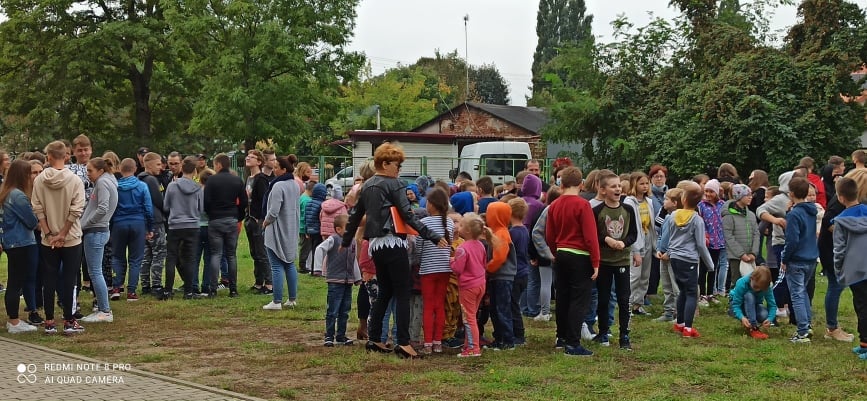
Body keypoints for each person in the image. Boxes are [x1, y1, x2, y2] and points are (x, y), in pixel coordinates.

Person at [342, 143, 447, 359]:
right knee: (402, 292)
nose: (399, 169)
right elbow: (408, 216)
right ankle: (404, 343)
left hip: (376, 245)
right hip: (393, 241)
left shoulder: (368, 185)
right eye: (397, 164)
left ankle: (375, 339)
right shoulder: (395, 184)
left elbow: (354, 216)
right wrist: (433, 236)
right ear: (385, 163)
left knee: (385, 292)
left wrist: (345, 240)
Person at [545, 166, 600, 356]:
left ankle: (561, 337)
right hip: (580, 256)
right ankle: (573, 343)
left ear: (561, 183)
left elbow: (549, 234)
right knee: (579, 299)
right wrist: (596, 261)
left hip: (561, 254)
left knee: (563, 297)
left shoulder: (554, 205)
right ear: (581, 184)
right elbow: (590, 236)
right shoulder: (583, 205)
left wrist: (554, 251)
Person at [32, 141, 86, 334]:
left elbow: (37, 208)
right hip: (71, 237)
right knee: (70, 279)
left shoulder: (38, 180)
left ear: (48, 158)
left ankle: (49, 320)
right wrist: (63, 233)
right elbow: (76, 209)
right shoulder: (75, 180)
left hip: (48, 238)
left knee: (49, 278)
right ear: (66, 156)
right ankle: (69, 319)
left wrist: (49, 233)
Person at [656, 181, 715, 338]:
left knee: (682, 290)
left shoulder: (673, 216)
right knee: (691, 293)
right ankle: (688, 328)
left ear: (683, 200)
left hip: (674, 258)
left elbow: (667, 237)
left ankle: (680, 322)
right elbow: (701, 245)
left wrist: (664, 250)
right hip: (689, 260)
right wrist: (710, 265)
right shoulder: (697, 220)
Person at [591, 170, 638, 350]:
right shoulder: (597, 211)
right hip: (604, 261)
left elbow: (633, 233)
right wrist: (607, 240)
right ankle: (603, 332)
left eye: (619, 185)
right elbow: (594, 234)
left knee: (623, 299)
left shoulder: (627, 209)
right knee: (603, 298)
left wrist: (623, 243)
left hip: (622, 261)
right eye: (613, 186)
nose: (618, 189)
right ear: (603, 190)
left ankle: (624, 335)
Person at [414, 188, 454, 354]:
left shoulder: (424, 223)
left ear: (432, 204)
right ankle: (438, 341)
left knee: (428, 306)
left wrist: (418, 261)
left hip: (428, 270)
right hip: (445, 269)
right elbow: (449, 246)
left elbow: (418, 248)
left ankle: (428, 343)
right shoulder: (450, 223)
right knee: (439, 305)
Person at [2, 160, 40, 333]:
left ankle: (13, 320)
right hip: (22, 242)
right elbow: (31, 221)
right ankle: (14, 322)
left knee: (14, 281)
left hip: (11, 242)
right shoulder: (18, 196)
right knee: (16, 283)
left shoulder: (6, 192)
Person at [203, 154, 248, 298]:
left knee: (216, 254)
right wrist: (238, 216)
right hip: (231, 219)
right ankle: (233, 289)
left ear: (218, 164)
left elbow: (206, 202)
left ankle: (213, 289)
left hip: (215, 219)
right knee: (231, 255)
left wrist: (212, 214)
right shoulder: (237, 180)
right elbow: (244, 202)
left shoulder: (211, 181)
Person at [780, 177, 819, 344]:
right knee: (803, 292)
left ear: (792, 194)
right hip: (811, 257)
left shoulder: (795, 214)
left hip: (797, 259)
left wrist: (784, 258)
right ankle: (807, 324)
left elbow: (792, 240)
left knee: (796, 294)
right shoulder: (812, 210)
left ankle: (802, 331)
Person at [110, 158, 154, 302]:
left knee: (117, 257)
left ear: (120, 169)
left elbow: (111, 207)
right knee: (135, 259)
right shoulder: (142, 186)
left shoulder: (115, 186)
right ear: (135, 169)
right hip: (138, 223)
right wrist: (150, 227)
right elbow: (148, 208)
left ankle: (116, 288)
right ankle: (132, 291)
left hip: (119, 223)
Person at [80, 158, 118, 322]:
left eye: (90, 171)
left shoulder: (102, 183)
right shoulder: (108, 180)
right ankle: (103, 309)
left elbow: (103, 207)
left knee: (95, 272)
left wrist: (86, 223)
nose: (88, 174)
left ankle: (105, 310)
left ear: (100, 171)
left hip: (96, 231)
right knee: (96, 271)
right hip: (99, 230)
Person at [313, 214, 360, 346]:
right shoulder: (333, 240)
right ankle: (329, 336)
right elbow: (319, 249)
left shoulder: (353, 242)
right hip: (335, 281)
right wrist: (318, 268)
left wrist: (357, 277)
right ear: (339, 229)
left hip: (348, 282)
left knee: (345, 310)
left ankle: (341, 335)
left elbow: (353, 260)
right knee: (332, 310)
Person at [833, 176, 867, 358]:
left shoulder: (840, 222)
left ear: (841, 197)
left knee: (862, 308)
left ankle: (866, 345)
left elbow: (839, 250)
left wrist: (839, 271)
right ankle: (863, 343)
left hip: (856, 270)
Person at [262, 156, 301, 310]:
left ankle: (276, 301)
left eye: (277, 167)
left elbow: (273, 211)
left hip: (277, 229)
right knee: (289, 264)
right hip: (290, 228)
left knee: (276, 266)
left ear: (284, 170)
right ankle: (292, 299)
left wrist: (265, 222)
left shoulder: (278, 186)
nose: (274, 169)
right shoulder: (295, 185)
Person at [163, 156, 204, 300]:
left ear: (181, 168)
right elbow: (201, 208)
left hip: (175, 225)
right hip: (192, 225)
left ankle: (168, 290)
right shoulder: (198, 188)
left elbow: (166, 206)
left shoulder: (172, 186)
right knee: (190, 258)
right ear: (194, 171)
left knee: (171, 257)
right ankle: (189, 291)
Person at [451, 213, 489, 357]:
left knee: (469, 317)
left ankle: (474, 348)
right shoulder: (480, 245)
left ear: (467, 231)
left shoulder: (462, 248)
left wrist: (451, 260)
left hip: (468, 287)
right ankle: (469, 345)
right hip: (480, 284)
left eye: (460, 225)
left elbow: (457, 269)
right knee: (472, 316)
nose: (458, 227)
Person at [624, 171, 656, 316]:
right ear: (634, 184)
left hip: (647, 237)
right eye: (641, 183)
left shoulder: (648, 201)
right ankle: (627, 304)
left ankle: (638, 304)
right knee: (634, 275)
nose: (644, 186)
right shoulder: (629, 202)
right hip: (635, 240)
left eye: (646, 183)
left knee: (645, 274)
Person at [654, 187, 684, 322]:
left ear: (675, 203)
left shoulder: (680, 219)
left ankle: (679, 314)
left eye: (666, 199)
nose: (664, 202)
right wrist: (659, 249)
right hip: (663, 256)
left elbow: (678, 239)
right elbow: (661, 235)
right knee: (666, 285)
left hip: (674, 257)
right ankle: (668, 311)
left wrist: (669, 253)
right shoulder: (666, 217)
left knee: (676, 286)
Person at [244, 150, 272, 293]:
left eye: (252, 157)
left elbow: (264, 200)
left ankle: (269, 284)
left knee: (261, 252)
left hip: (258, 219)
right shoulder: (249, 178)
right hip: (249, 218)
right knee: (254, 252)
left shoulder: (261, 179)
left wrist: (259, 217)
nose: (248, 158)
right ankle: (258, 281)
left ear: (259, 162)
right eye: (247, 156)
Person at [139, 152, 167, 296]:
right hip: (155, 221)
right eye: (157, 164)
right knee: (159, 253)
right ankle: (156, 284)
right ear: (148, 164)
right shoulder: (151, 180)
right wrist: (167, 211)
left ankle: (145, 285)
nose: (161, 167)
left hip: (143, 222)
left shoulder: (139, 179)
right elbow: (158, 200)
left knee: (146, 255)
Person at [722, 184, 759, 287]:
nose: (750, 197)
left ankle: (749, 302)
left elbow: (756, 233)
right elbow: (728, 236)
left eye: (751, 194)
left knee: (750, 282)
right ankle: (735, 302)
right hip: (736, 256)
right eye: (747, 195)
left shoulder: (751, 215)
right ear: (739, 196)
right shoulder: (729, 215)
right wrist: (741, 254)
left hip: (750, 256)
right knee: (737, 282)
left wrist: (753, 253)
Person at [728, 265, 777, 339]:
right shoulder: (741, 283)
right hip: (738, 305)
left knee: (764, 315)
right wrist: (742, 317)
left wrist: (770, 319)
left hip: (754, 305)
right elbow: (736, 305)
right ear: (751, 279)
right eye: (756, 287)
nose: (757, 290)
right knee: (749, 295)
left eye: (761, 289)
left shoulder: (766, 287)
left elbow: (772, 305)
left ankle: (750, 318)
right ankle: (754, 327)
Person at [697, 179, 725, 305]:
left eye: (711, 191)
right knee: (703, 268)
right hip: (706, 241)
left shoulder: (722, 205)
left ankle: (710, 293)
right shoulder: (701, 205)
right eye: (706, 191)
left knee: (713, 267)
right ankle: (701, 294)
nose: (708, 194)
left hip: (718, 241)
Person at [507, 197, 531, 345]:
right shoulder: (524, 230)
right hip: (524, 271)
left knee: (512, 305)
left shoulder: (513, 233)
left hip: (515, 273)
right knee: (515, 303)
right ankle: (518, 333)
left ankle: (518, 335)